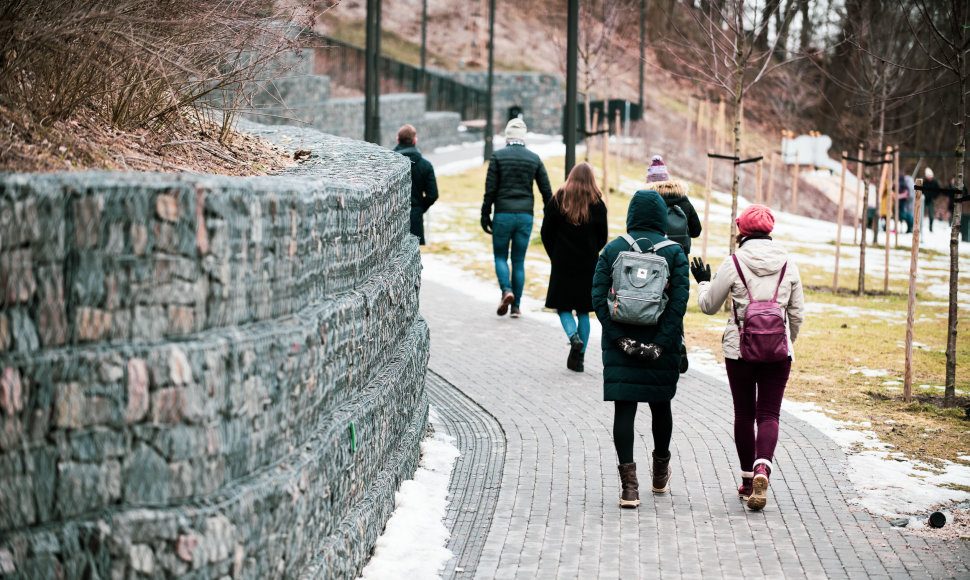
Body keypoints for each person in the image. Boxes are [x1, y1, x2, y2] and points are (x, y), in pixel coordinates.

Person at [690, 204, 804, 511]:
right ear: (770, 230)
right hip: (778, 353)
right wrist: (786, 342)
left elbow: (709, 306)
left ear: (741, 231)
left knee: (744, 413)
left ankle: (745, 480)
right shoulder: (787, 264)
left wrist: (702, 281)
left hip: (739, 349)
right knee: (769, 414)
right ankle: (762, 469)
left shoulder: (734, 262)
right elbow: (797, 313)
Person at [591, 190, 689, 508]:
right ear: (661, 218)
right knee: (660, 406)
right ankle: (660, 473)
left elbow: (597, 297)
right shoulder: (674, 253)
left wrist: (621, 338)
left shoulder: (613, 249)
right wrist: (660, 343)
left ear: (631, 215)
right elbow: (679, 304)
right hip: (661, 346)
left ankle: (629, 488)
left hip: (621, 345)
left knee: (625, 409)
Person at [481, 118, 554, 318]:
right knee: (519, 261)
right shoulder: (534, 158)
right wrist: (551, 216)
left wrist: (485, 214)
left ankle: (507, 290)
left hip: (503, 214)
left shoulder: (497, 157)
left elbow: (490, 190)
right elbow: (547, 192)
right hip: (525, 216)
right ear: (523, 137)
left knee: (500, 257)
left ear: (507, 137)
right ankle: (516, 307)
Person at [541, 162, 608, 372]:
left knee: (562, 306)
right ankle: (579, 358)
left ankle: (573, 337)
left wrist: (555, 254)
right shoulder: (597, 203)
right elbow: (602, 237)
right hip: (588, 263)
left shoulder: (558, 199)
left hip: (563, 261)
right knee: (584, 311)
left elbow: (546, 232)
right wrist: (591, 252)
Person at [641, 155, 701, 373]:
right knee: (676, 302)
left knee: (653, 301)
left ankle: (657, 347)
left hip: (654, 258)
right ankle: (680, 341)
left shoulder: (648, 199)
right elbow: (696, 230)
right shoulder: (682, 199)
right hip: (680, 259)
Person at [394, 124, 438, 245]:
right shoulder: (425, 165)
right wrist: (419, 208)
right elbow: (433, 194)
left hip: (391, 215)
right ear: (415, 140)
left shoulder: (389, 164)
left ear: (398, 140)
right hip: (414, 215)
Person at [923, 167, 941, 232]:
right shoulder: (924, 182)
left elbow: (938, 190)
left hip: (931, 200)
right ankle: (920, 226)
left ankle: (930, 227)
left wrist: (934, 197)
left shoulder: (935, 182)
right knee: (921, 213)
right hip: (924, 200)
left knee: (931, 215)